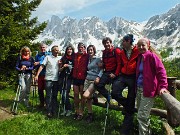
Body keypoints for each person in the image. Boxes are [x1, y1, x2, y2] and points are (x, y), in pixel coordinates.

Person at [136, 38, 169, 135]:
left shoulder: (152, 56)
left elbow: (161, 72)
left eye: (143, 45)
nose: (141, 47)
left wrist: (163, 86)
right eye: (139, 45)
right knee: (142, 115)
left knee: (142, 115)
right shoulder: (140, 57)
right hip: (139, 89)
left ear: (148, 46)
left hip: (148, 90)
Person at [111, 34, 139, 135]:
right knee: (114, 92)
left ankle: (125, 131)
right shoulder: (122, 52)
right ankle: (128, 107)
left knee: (131, 99)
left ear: (128, 41)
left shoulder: (137, 50)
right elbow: (120, 63)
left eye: (124, 41)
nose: (122, 42)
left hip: (133, 77)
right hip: (123, 75)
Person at [35, 45, 61, 118]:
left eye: (58, 50)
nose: (57, 51)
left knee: (54, 96)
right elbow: (42, 66)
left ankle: (54, 110)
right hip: (48, 79)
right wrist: (37, 75)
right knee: (49, 95)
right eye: (56, 50)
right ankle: (49, 111)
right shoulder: (48, 57)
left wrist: (61, 65)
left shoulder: (60, 58)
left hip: (56, 79)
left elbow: (60, 69)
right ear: (52, 51)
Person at [95, 37, 121, 102]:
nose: (106, 44)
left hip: (115, 72)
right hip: (107, 72)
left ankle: (120, 102)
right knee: (98, 85)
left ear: (111, 43)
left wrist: (115, 74)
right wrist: (102, 65)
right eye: (104, 43)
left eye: (107, 43)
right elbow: (104, 63)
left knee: (116, 89)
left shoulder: (116, 51)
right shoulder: (104, 53)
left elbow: (119, 63)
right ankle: (108, 96)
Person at [83, 45, 103, 123]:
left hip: (93, 80)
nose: (90, 51)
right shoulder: (88, 60)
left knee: (85, 95)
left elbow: (102, 69)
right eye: (89, 50)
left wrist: (98, 77)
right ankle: (90, 114)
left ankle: (95, 95)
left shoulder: (98, 59)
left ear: (94, 51)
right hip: (87, 79)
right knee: (88, 98)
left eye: (91, 50)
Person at [72, 42, 89, 120]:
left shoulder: (87, 55)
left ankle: (81, 112)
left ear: (84, 48)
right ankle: (77, 111)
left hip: (83, 77)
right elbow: (67, 58)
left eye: (82, 47)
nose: (80, 48)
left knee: (82, 95)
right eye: (79, 47)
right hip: (75, 77)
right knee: (75, 94)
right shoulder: (75, 55)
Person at [59, 45, 75, 116]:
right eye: (68, 49)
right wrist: (63, 66)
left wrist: (69, 66)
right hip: (62, 77)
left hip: (69, 78)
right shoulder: (63, 58)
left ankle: (69, 109)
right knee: (62, 93)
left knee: (66, 93)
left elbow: (75, 67)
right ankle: (64, 109)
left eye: (71, 49)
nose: (69, 51)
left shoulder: (74, 58)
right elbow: (59, 69)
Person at [34, 43, 51, 108]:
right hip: (40, 75)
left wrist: (39, 62)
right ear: (39, 48)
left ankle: (47, 104)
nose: (42, 48)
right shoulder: (37, 55)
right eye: (41, 47)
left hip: (47, 74)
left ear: (46, 47)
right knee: (40, 90)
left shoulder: (49, 54)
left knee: (47, 89)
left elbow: (46, 62)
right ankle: (42, 103)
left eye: (43, 47)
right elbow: (35, 64)